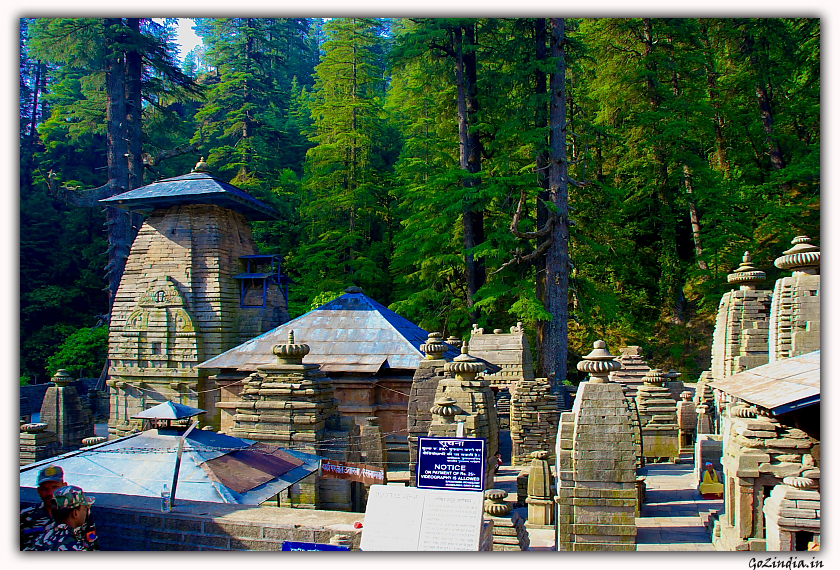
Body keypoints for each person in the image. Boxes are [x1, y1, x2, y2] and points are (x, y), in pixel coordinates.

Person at [20, 465, 99, 550]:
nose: (50, 493)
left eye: (55, 487)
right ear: (39, 491)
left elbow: (92, 543)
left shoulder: (81, 512)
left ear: (64, 486)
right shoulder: (26, 516)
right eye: (45, 489)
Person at [26, 486, 96, 551]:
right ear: (75, 513)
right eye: (85, 508)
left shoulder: (39, 540)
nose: (87, 512)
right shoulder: (76, 547)